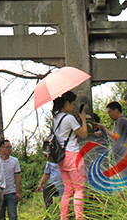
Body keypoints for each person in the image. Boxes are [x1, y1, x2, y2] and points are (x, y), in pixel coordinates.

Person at [52, 91, 88, 220]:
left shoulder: (55, 119)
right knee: (79, 189)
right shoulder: (69, 118)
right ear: (66, 103)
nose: (74, 107)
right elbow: (84, 134)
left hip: (61, 157)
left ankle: (64, 217)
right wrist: (83, 118)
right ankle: (79, 217)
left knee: (68, 189)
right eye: (73, 104)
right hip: (73, 155)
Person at [98, 101, 127, 179]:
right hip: (124, 155)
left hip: (124, 156)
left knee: (125, 181)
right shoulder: (121, 121)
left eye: (110, 112)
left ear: (116, 110)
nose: (109, 115)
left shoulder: (121, 121)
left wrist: (105, 129)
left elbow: (116, 136)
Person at [0, 139, 21, 220]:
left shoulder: (14, 161)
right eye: (7, 147)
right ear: (1, 148)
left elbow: (17, 176)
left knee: (13, 215)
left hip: (11, 192)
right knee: (0, 216)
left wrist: (17, 192)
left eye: (10, 147)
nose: (9, 149)